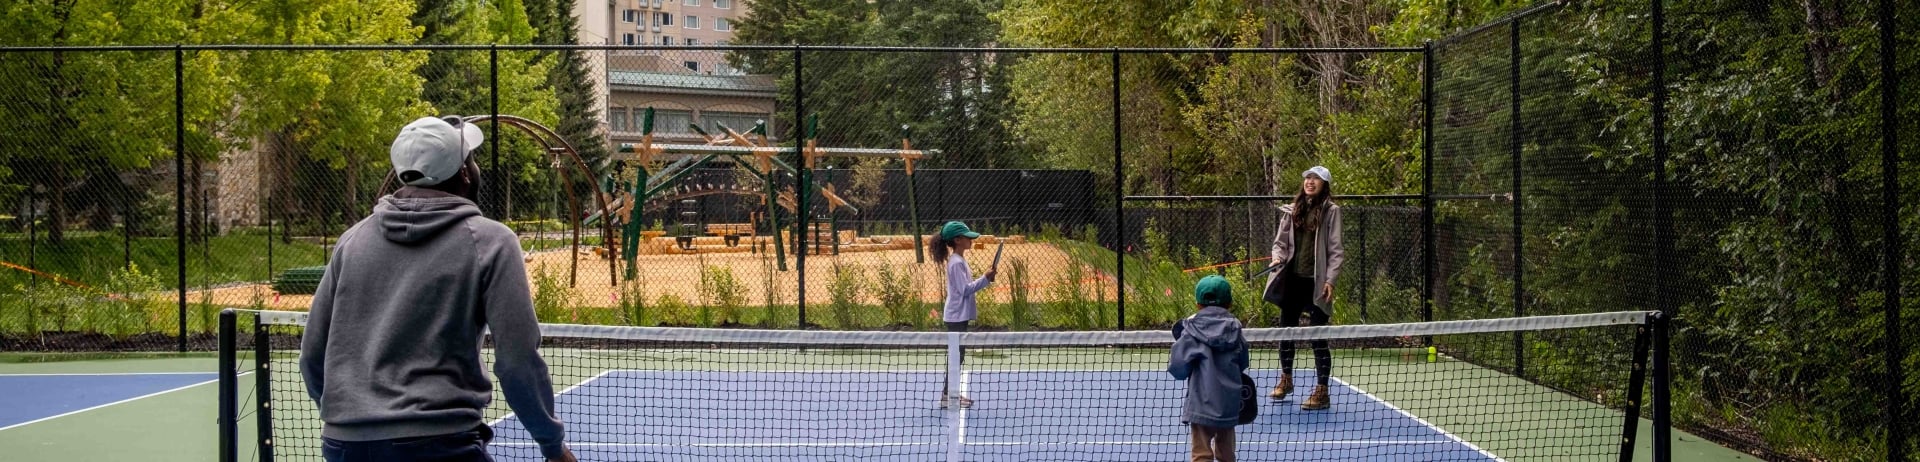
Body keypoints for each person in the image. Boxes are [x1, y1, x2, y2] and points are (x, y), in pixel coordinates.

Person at [301, 116, 575, 462]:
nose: (475, 167)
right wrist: (552, 446)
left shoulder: (351, 241)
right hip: (440, 443)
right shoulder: (492, 241)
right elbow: (517, 360)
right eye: (471, 159)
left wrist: (352, 417)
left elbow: (312, 355)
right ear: (464, 173)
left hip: (345, 444)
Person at [1262, 165, 1345, 411]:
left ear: (1324, 185)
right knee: (1286, 332)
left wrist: (1330, 280)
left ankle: (1322, 391)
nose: (1310, 181)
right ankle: (1286, 378)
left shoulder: (1332, 212)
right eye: (1308, 177)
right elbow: (1279, 244)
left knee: (1318, 337)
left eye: (1316, 179)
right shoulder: (1291, 211)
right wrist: (1277, 257)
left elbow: (1336, 250)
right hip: (1293, 281)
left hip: (1317, 283)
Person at [1169, 275, 1251, 462]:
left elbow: (1177, 368)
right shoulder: (1236, 332)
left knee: (1201, 455)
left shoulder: (1190, 333)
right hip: (1228, 405)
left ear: (1198, 304)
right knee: (1227, 454)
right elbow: (1243, 362)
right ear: (1229, 303)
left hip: (1201, 406)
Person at [929, 220, 995, 408]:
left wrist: (985, 279)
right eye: (967, 237)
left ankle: (950, 394)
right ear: (958, 240)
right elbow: (965, 290)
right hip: (956, 317)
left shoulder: (959, 261)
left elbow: (965, 288)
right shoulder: (956, 263)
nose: (971, 240)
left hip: (960, 316)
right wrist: (985, 278)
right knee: (956, 357)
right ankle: (948, 396)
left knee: (958, 357)